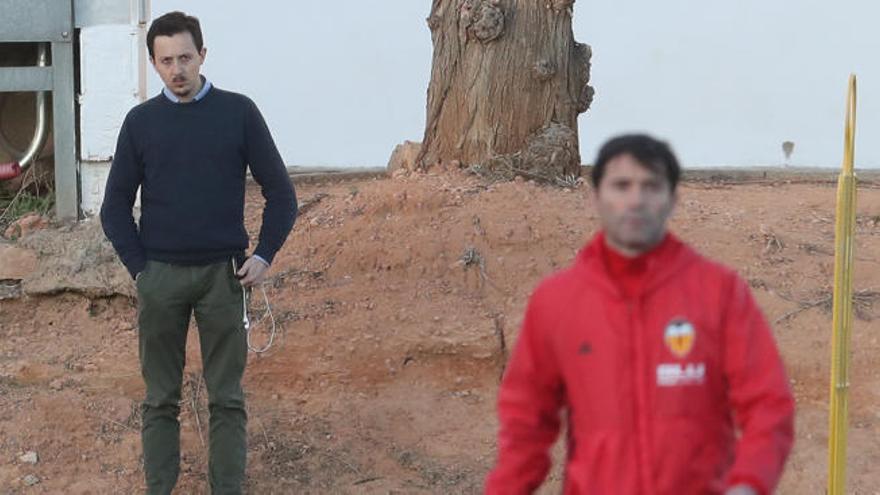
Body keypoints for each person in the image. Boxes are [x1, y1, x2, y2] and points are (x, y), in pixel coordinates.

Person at [485, 134, 794, 495]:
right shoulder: (556, 301)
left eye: (651, 186)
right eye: (621, 185)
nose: (635, 200)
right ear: (595, 197)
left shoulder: (720, 292)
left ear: (672, 199)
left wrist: (749, 484)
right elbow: (526, 422)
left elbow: (768, 404)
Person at [100, 11, 297, 494]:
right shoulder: (140, 123)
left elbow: (282, 194)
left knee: (226, 398)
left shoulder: (238, 112)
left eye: (185, 57)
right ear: (153, 63)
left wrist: (265, 253)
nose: (177, 70)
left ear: (203, 55)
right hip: (161, 277)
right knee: (159, 399)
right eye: (165, 61)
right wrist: (142, 272)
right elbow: (113, 209)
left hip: (223, 278)